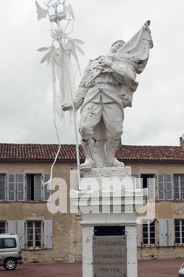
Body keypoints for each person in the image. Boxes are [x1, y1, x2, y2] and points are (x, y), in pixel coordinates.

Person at [62, 21, 153, 168]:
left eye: (121, 47)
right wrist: (74, 103)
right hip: (92, 96)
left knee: (116, 130)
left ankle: (110, 159)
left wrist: (111, 66)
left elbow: (129, 78)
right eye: (116, 46)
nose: (117, 48)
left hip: (112, 98)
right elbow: (83, 85)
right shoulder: (94, 62)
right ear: (110, 48)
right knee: (84, 128)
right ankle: (90, 159)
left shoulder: (124, 64)